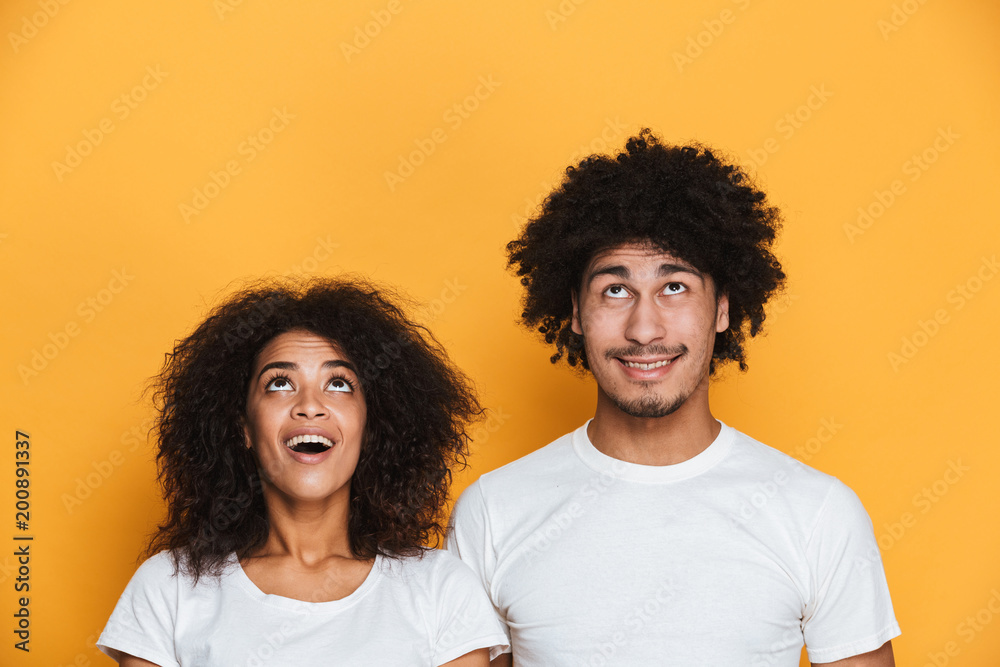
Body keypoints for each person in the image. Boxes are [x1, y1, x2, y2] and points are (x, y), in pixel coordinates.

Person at [448, 130, 900, 666]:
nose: (644, 328)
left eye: (675, 287)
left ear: (723, 310)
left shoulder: (818, 513)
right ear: (574, 312)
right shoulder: (493, 513)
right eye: (615, 290)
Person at [98, 278, 508, 666]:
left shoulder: (441, 589)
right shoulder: (167, 588)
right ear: (243, 427)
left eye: (339, 384)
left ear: (370, 425)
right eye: (279, 383)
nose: (309, 405)